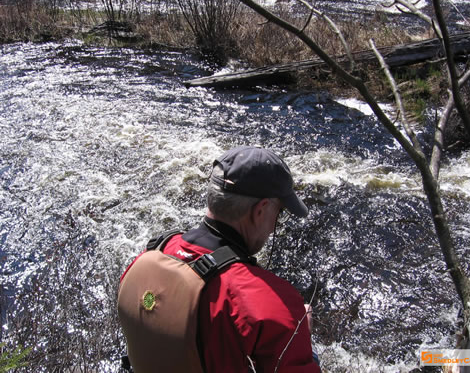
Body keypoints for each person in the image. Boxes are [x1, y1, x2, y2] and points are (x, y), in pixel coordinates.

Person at [120, 146, 320, 373]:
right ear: (261, 210)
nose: (274, 228)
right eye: (280, 212)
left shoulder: (150, 254)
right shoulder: (274, 305)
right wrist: (301, 334)